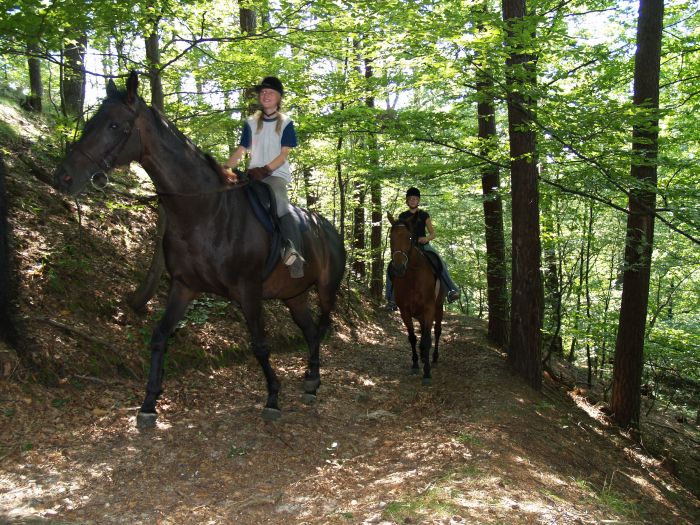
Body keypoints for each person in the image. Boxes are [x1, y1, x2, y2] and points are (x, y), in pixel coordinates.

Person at [222, 76, 305, 278]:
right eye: (263, 92)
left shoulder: (286, 123)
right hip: (254, 175)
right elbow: (241, 150)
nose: (265, 95)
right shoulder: (251, 123)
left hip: (276, 175)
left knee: (279, 203)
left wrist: (266, 169)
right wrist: (225, 168)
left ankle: (291, 252)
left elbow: (284, 154)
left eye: (270, 92)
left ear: (279, 98)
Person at [385, 187, 460, 309]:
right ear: (407, 201)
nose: (413, 201)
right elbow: (400, 232)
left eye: (415, 199)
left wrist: (426, 239)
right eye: (411, 199)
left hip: (424, 246)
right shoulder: (403, 216)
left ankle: (452, 290)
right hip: (408, 248)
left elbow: (433, 233)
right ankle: (391, 299)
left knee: (441, 262)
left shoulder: (424, 215)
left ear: (418, 201)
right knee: (391, 266)